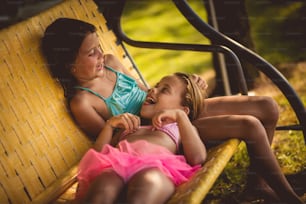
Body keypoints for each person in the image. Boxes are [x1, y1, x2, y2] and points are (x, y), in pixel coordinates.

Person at [41, 18, 303, 203]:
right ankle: (280, 194)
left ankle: (259, 183)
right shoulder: (83, 102)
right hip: (159, 129)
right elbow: (113, 142)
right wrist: (167, 115)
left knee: (266, 106)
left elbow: (145, 89)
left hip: (169, 107)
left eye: (99, 47)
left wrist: (186, 88)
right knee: (248, 124)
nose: (100, 54)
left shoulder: (109, 63)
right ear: (69, 64)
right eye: (91, 53)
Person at [75, 72, 207, 203]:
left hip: (156, 169)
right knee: (103, 186)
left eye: (164, 90)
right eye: (156, 85)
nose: (152, 89)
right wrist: (109, 125)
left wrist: (180, 117)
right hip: (117, 166)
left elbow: (198, 158)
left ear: (183, 110)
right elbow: (97, 155)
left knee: (144, 188)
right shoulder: (131, 126)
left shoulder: (179, 127)